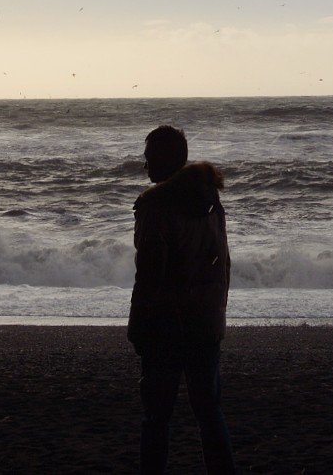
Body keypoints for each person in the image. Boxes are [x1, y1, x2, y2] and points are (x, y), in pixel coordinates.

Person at [128, 123, 236, 475]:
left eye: (148, 159)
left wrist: (139, 327)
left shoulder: (155, 205)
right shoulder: (209, 199)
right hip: (205, 322)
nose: (145, 168)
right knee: (209, 412)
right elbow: (223, 261)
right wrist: (218, 311)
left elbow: (149, 274)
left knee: (156, 417)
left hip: (166, 327)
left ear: (162, 159)